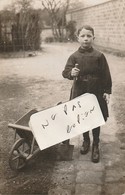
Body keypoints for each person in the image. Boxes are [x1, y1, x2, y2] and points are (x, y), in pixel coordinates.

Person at [62, 25, 112, 163]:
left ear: (93, 38)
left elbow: (106, 75)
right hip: (80, 90)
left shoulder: (99, 56)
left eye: (89, 36)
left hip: (96, 90)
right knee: (83, 117)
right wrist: (71, 73)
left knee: (95, 117)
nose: (86, 39)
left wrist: (107, 91)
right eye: (83, 36)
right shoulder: (74, 57)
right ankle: (86, 140)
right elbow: (65, 72)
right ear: (78, 38)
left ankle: (96, 144)